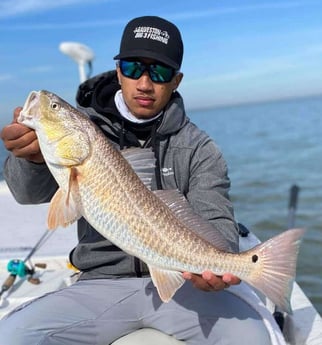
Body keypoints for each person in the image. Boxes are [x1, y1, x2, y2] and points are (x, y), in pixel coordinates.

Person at [0, 16, 276, 345]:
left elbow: (215, 216)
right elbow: (27, 194)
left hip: (185, 286)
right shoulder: (85, 129)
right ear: (118, 71)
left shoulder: (200, 148)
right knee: (12, 335)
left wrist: (222, 261)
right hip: (99, 282)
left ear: (176, 80)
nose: (145, 83)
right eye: (133, 68)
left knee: (255, 339)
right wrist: (30, 159)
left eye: (159, 72)